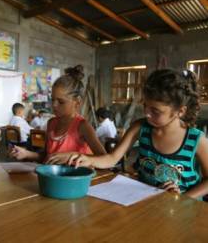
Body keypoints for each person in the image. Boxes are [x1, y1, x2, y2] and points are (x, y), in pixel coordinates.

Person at [63, 69, 208, 199]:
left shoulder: (196, 139)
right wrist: (88, 159)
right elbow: (112, 158)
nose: (147, 114)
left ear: (180, 111)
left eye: (155, 111)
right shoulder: (141, 127)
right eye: (145, 106)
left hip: (183, 211)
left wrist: (184, 198)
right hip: (146, 202)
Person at [11, 65, 106, 163]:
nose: (54, 105)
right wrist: (26, 153)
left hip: (76, 177)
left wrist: (73, 156)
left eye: (61, 102)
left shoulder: (83, 126)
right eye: (52, 100)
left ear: (77, 102)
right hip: (53, 176)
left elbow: (104, 158)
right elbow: (47, 157)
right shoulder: (51, 123)